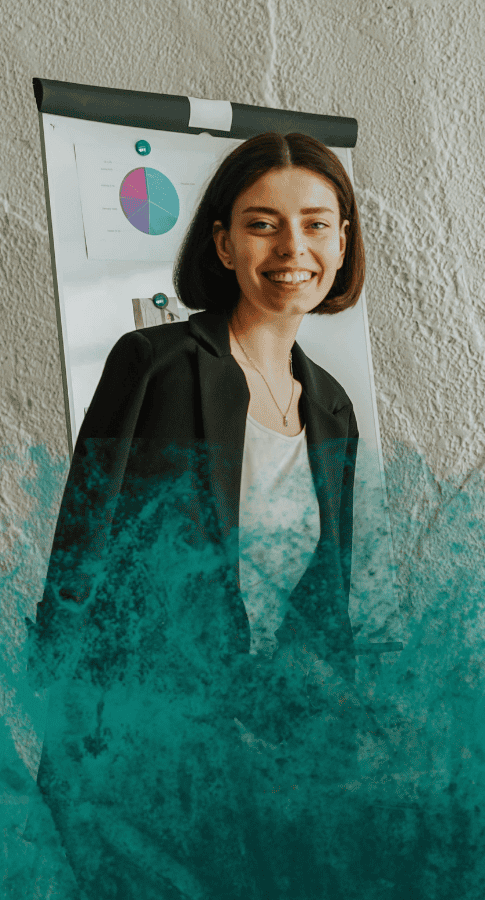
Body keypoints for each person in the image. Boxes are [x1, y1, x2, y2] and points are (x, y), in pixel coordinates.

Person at [30, 131, 367, 899]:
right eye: (262, 224)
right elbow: (79, 553)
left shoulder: (332, 408)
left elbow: (327, 601)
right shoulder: (154, 365)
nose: (293, 247)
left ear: (342, 243)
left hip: (266, 758)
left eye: (316, 224)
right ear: (222, 243)